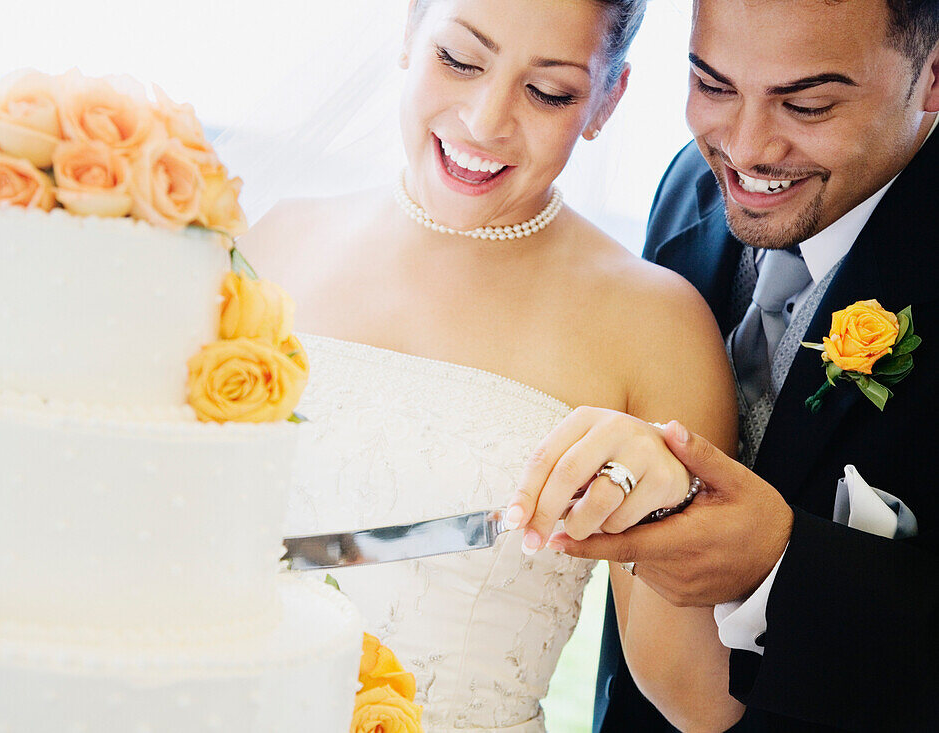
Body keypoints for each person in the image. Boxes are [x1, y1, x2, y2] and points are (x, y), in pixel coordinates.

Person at [237, 0, 744, 729]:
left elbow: (699, 700)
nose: (485, 120)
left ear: (607, 101)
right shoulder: (275, 241)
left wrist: (662, 503)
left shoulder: (657, 326)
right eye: (461, 60)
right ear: (411, 33)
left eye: (549, 92)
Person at [508, 0, 939, 730]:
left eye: (805, 104)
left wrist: (781, 563)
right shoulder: (689, 183)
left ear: (931, 77)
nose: (743, 148)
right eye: (712, 85)